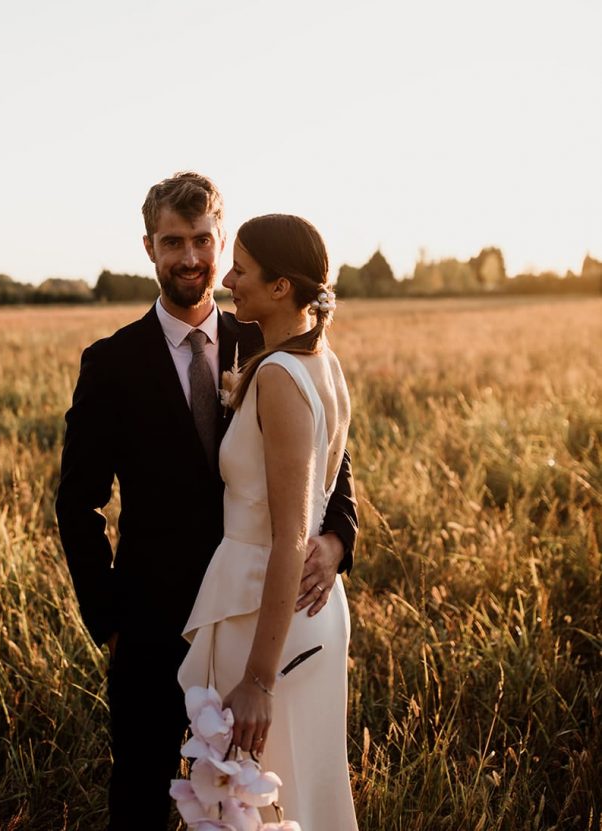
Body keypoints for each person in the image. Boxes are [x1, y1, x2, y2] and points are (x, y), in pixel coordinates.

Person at [56, 174, 358, 831]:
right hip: (151, 623)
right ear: (149, 247)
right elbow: (77, 502)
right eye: (173, 242)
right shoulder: (110, 363)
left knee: (253, 801)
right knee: (140, 789)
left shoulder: (265, 338)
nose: (190, 257)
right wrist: (107, 615)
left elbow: (330, 464)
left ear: (221, 245)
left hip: (255, 615)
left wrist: (335, 540)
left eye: (202, 240)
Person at [178, 213, 358, 830]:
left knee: (258, 804)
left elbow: (288, 537)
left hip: (265, 610)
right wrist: (332, 540)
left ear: (282, 286)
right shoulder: (321, 360)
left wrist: (258, 680)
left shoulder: (280, 377)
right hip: (311, 611)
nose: (227, 279)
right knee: (306, 793)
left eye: (243, 269)